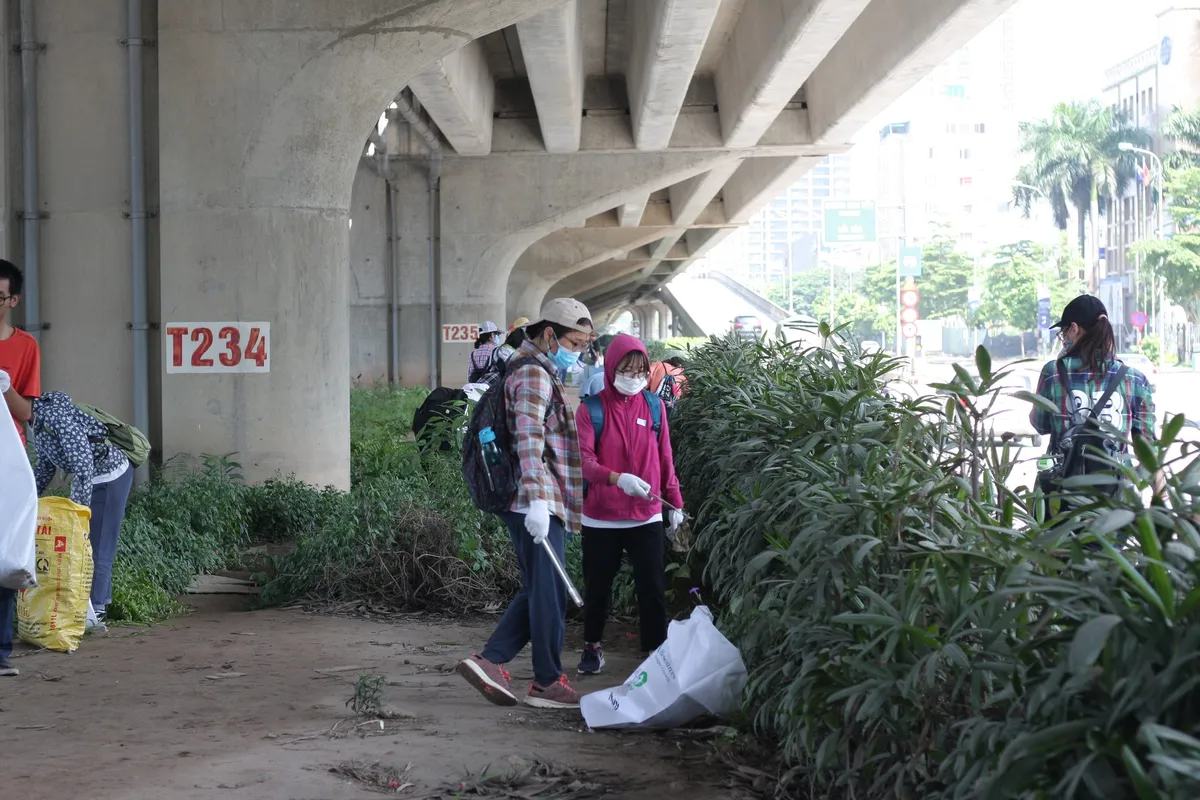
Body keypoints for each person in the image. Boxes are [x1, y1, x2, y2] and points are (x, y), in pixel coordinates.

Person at [457, 298, 594, 709]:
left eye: (586, 344)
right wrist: (536, 501)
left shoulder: (532, 369)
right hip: (533, 500)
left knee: (542, 587)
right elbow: (528, 440)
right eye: (574, 341)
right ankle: (546, 681)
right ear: (549, 334)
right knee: (548, 590)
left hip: (534, 499)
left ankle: (491, 660)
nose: (579, 351)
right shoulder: (533, 375)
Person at [574, 335, 684, 674]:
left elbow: (665, 458)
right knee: (597, 589)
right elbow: (585, 461)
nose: (634, 377)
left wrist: (675, 503)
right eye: (627, 370)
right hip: (602, 517)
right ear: (612, 368)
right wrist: (617, 478)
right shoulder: (590, 409)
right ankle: (592, 647)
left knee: (652, 588)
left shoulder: (654, 407)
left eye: (640, 371)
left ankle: (655, 652)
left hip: (646, 514)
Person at [1031, 295, 1155, 504]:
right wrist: (1159, 494)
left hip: (1061, 494)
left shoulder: (1053, 372)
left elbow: (1040, 425)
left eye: (1064, 333)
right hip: (1116, 500)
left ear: (1074, 328)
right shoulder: (1134, 378)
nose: (1064, 338)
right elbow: (1147, 446)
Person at [31, 392, 134, 632]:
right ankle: (82, 608)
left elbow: (83, 466)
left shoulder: (54, 416)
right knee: (85, 545)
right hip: (93, 477)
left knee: (96, 544)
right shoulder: (37, 422)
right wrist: (27, 497)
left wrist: (77, 513)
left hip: (111, 477)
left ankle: (96, 611)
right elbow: (46, 466)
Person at [0, 260, 40, 677]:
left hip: (7, 461)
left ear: (13, 300)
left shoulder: (25, 347)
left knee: (5, 554)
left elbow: (27, 412)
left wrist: (5, 386)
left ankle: (1, 652)